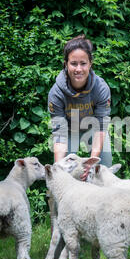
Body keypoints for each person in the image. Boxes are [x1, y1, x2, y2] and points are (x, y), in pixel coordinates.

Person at [48, 34, 112, 179]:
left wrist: (90, 164)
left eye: (83, 63)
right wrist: (59, 170)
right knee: (62, 172)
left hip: (94, 129)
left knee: (103, 169)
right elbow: (59, 133)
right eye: (73, 63)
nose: (78, 69)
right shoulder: (56, 93)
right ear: (66, 64)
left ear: (90, 64)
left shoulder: (101, 89)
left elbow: (100, 127)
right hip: (69, 131)